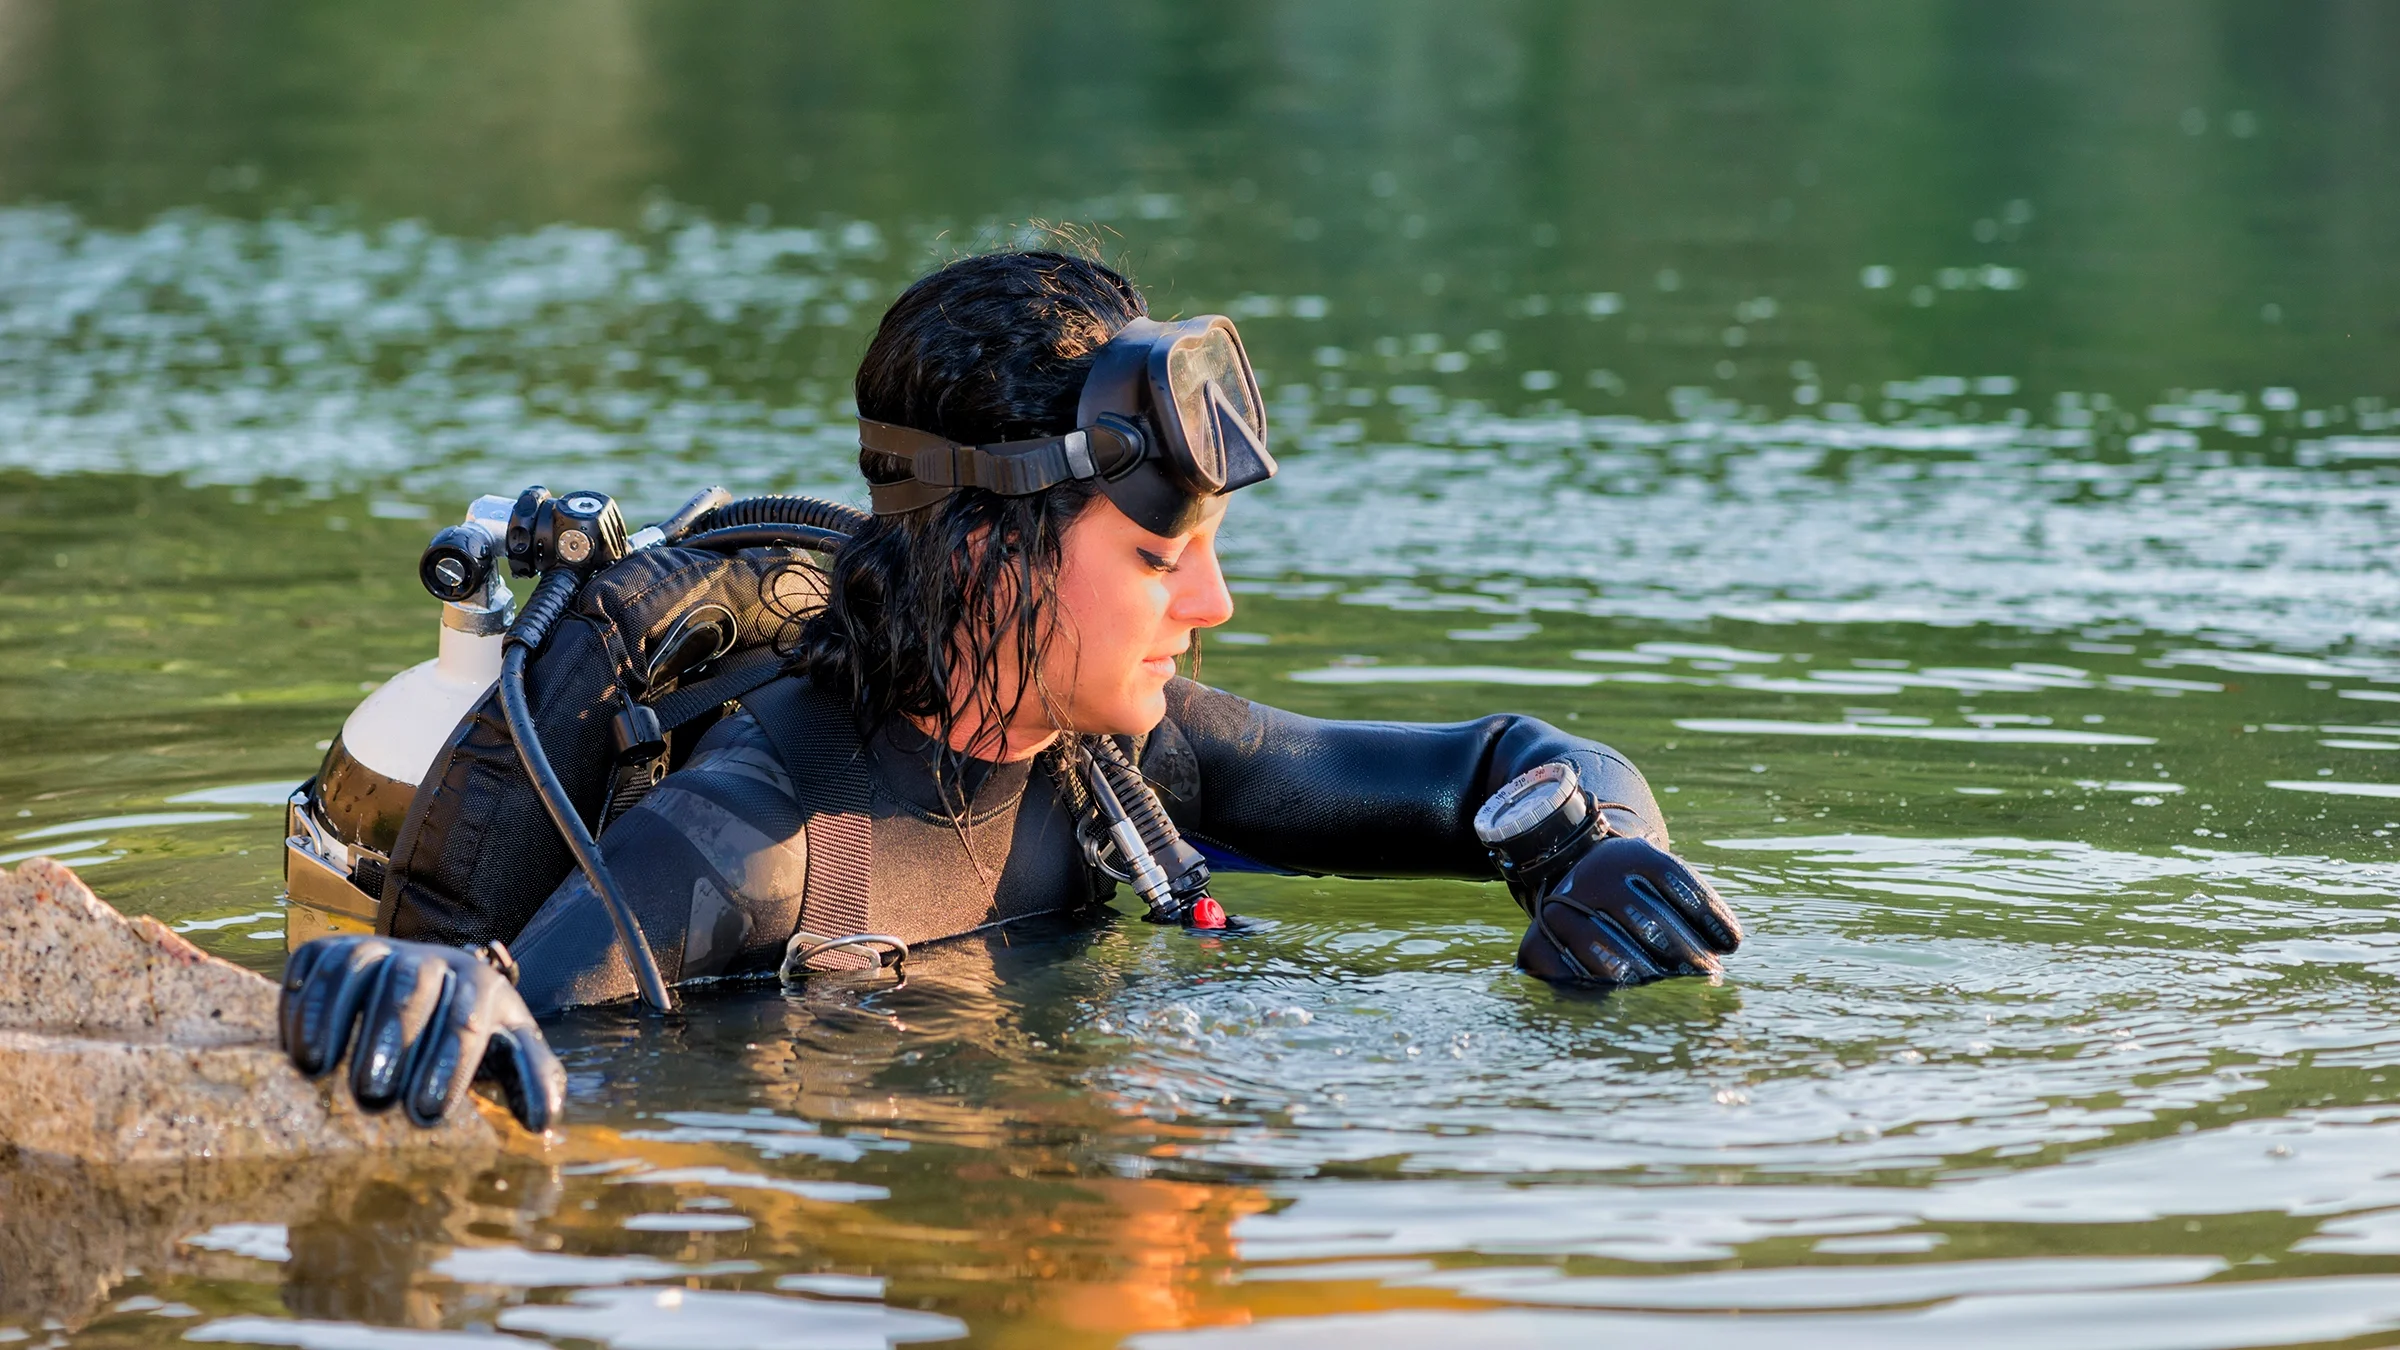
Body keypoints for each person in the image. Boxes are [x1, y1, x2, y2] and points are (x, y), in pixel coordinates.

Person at [278, 249, 1745, 1133]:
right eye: (1164, 556)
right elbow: (510, 1024)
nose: (1213, 606)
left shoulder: (1118, 765)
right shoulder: (759, 840)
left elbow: (1510, 758)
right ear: (990, 558)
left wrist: (1596, 843)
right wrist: (432, 987)